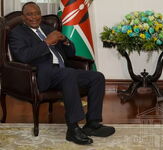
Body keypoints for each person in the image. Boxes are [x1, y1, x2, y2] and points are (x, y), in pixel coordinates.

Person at [9, 2, 115, 145]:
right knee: (68, 74)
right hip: (41, 75)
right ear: (23, 17)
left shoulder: (47, 29)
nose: (34, 17)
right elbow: (23, 56)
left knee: (97, 77)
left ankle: (93, 124)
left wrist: (65, 40)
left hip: (63, 71)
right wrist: (46, 42)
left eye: (37, 13)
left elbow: (70, 53)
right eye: (29, 14)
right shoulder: (17, 33)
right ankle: (73, 128)